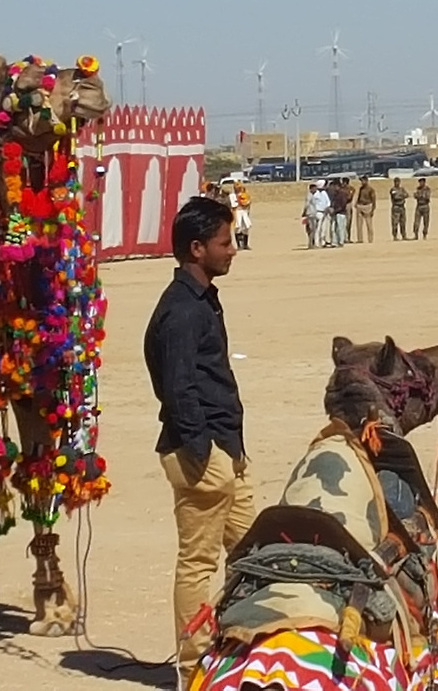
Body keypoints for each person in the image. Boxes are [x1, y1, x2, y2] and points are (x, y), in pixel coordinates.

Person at [143, 197, 253, 689]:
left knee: (254, 552)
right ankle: (193, 669)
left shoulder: (203, 299)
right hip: (201, 456)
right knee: (198, 563)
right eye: (224, 243)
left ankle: (245, 647)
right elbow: (178, 389)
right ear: (197, 248)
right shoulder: (181, 312)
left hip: (226, 450)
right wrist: (204, 454)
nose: (232, 250)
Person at [303, 182, 330, 249]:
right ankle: (315, 243)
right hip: (313, 213)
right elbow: (307, 205)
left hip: (317, 213)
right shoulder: (310, 196)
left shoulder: (321, 194)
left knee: (318, 229)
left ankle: (318, 242)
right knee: (314, 229)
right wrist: (304, 213)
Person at [354, 175, 377, 243]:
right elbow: (359, 196)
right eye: (361, 181)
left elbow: (373, 200)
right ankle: (360, 239)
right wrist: (356, 203)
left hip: (367, 206)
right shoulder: (361, 188)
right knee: (359, 224)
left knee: (369, 224)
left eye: (363, 181)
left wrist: (373, 210)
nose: (362, 182)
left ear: (366, 181)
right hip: (360, 206)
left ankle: (370, 239)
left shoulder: (370, 189)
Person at [328, 179, 348, 247]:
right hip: (335, 213)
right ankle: (334, 242)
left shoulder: (342, 194)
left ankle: (341, 241)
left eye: (335, 186)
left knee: (340, 228)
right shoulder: (335, 194)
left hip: (341, 213)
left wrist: (335, 210)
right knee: (333, 228)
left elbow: (343, 205)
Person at [232, 181, 252, 250]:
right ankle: (239, 245)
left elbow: (248, 203)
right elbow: (234, 205)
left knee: (246, 227)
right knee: (238, 227)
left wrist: (247, 204)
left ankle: (245, 244)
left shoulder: (245, 194)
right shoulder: (233, 196)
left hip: (244, 211)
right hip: (237, 211)